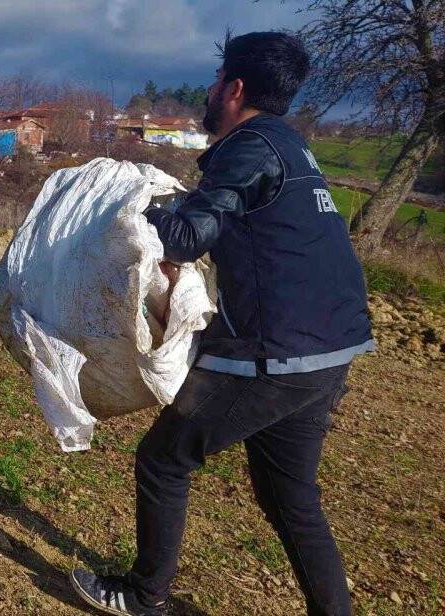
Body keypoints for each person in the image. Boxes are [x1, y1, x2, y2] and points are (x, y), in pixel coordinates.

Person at [70, 32, 372, 616]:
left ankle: (145, 595)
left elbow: (187, 237)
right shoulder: (291, 145)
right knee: (289, 497)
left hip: (273, 352)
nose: (208, 92)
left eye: (215, 82)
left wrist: (134, 205)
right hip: (331, 348)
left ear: (234, 89)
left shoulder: (248, 146)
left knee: (164, 459)